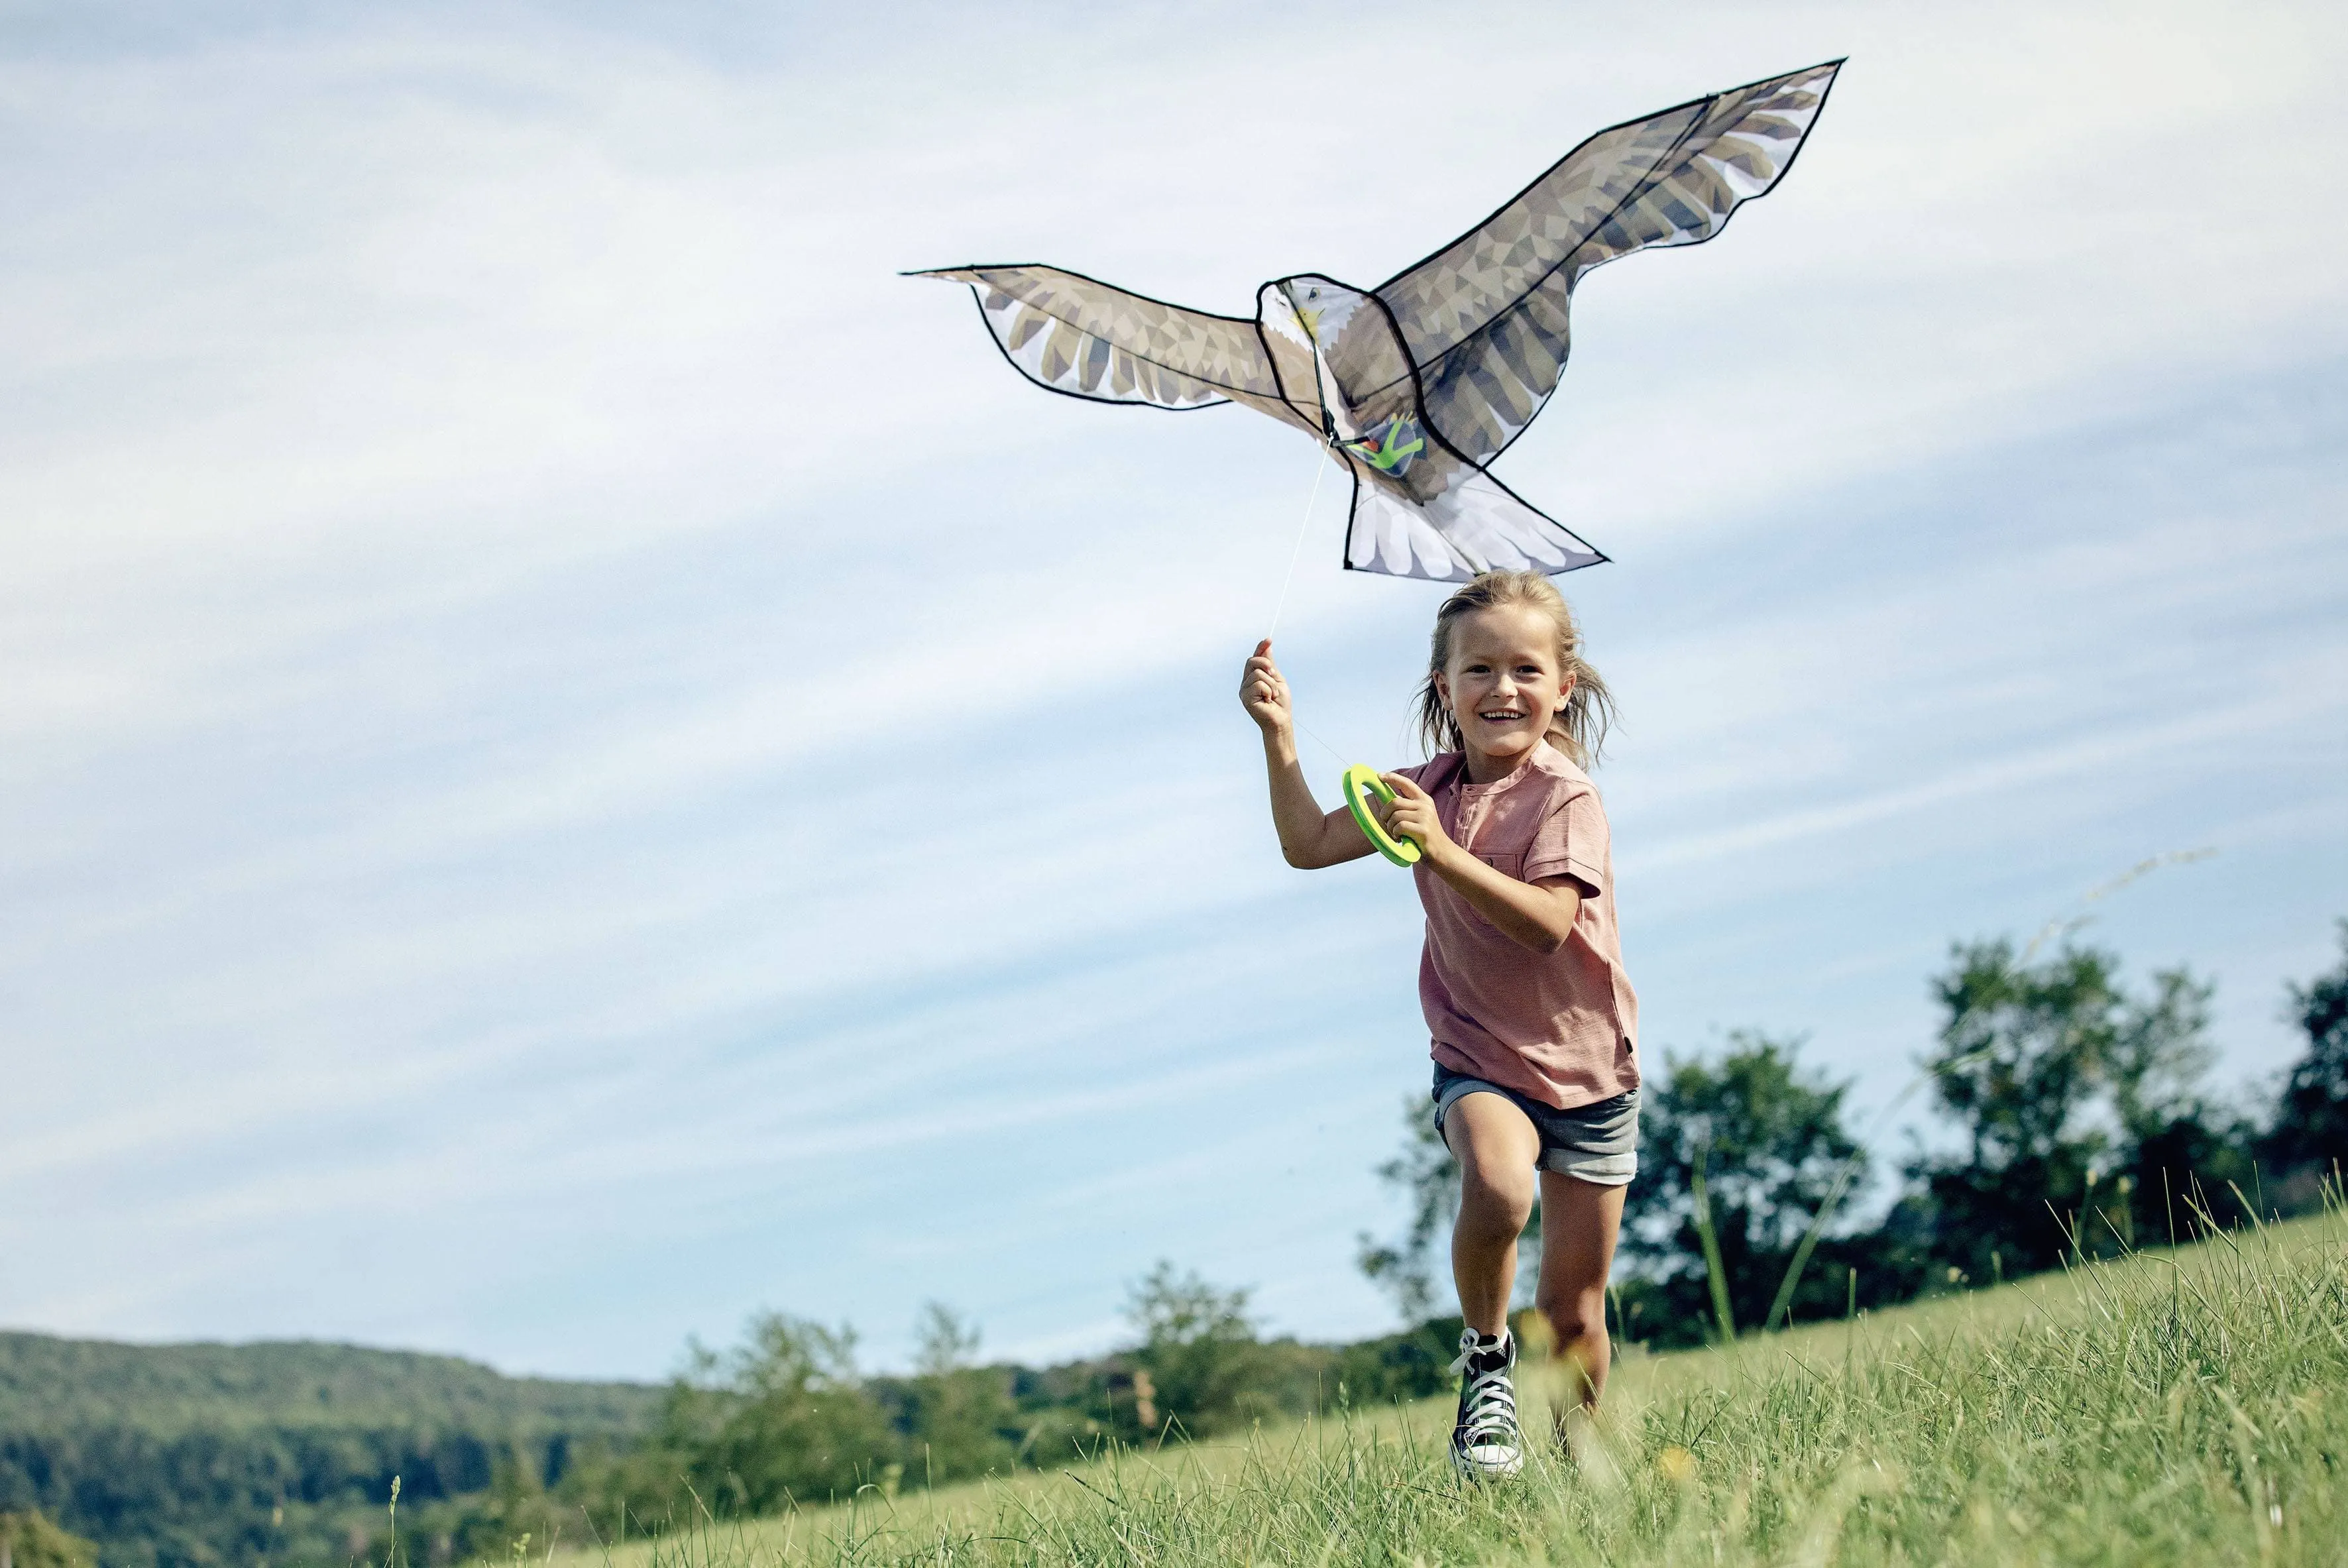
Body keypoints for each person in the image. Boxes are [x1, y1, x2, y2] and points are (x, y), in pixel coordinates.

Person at [1237, 570, 1638, 1482]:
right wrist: (1279, 736)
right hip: (1477, 1053)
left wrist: (1441, 850)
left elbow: (1545, 924)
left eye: (1526, 669)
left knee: (1575, 1311)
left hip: (1591, 1070)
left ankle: (1588, 1473)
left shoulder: (1564, 796)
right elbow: (1306, 845)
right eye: (1480, 669)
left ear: (1561, 686)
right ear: (1443, 690)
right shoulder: (1422, 791)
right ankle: (1487, 1362)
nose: (1504, 687)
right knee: (1497, 1190)